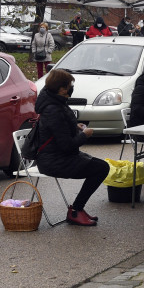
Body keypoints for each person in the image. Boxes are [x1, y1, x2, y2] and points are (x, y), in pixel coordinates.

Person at [34, 68, 110, 226]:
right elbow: (66, 145)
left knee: (101, 166)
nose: (71, 88)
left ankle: (77, 209)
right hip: (54, 161)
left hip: (57, 156)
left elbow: (59, 130)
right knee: (101, 168)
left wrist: (75, 126)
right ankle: (76, 210)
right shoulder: (53, 109)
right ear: (62, 88)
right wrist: (84, 135)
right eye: (69, 85)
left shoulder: (54, 102)